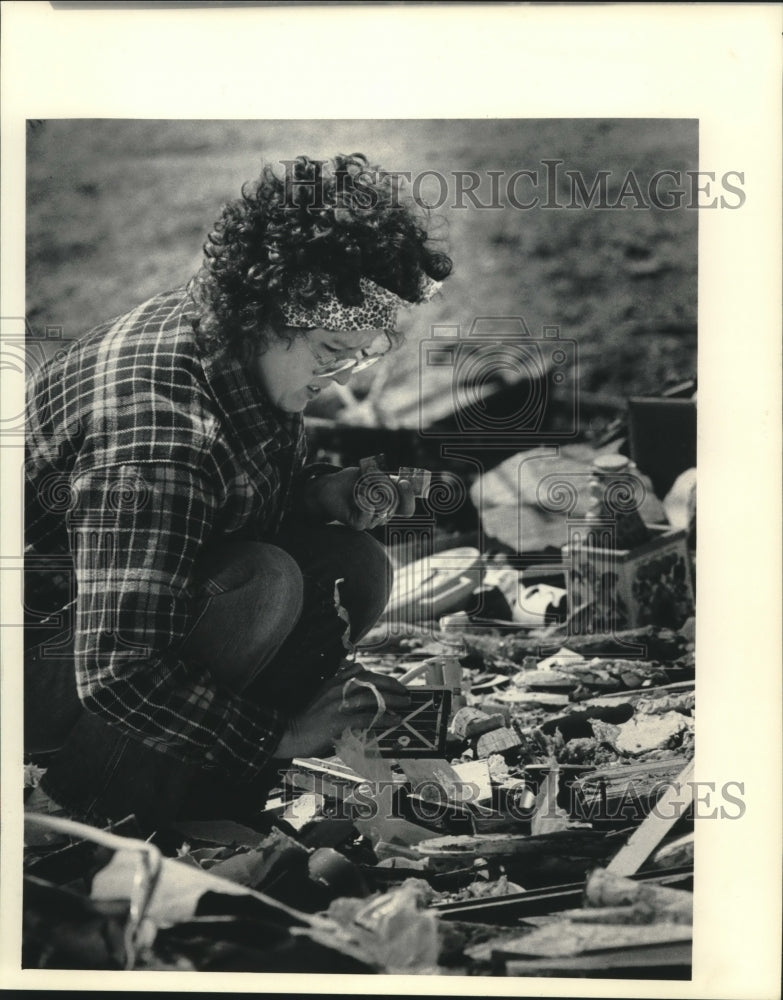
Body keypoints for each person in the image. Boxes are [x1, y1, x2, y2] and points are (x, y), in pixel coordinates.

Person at [24, 152, 453, 835]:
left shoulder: (235, 340)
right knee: (264, 583)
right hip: (42, 657)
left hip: (97, 617)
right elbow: (115, 668)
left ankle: (204, 798)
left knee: (354, 566)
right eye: (332, 354)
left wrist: (321, 498)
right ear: (276, 311)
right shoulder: (157, 429)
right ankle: (96, 813)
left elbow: (210, 511)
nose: (342, 381)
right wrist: (277, 735)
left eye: (360, 358)